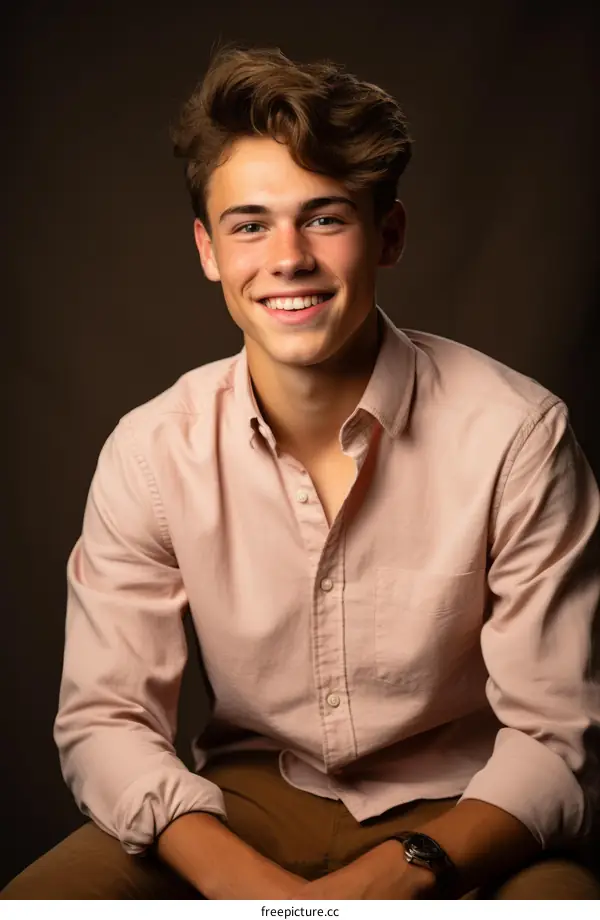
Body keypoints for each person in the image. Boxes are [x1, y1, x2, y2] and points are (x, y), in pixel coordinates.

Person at [3, 44, 600, 901]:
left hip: (468, 808)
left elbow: (557, 739)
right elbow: (107, 722)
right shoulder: (151, 449)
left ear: (387, 235)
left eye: (325, 217)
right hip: (242, 806)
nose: (287, 257)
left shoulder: (518, 436)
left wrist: (395, 877)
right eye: (250, 224)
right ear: (209, 250)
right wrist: (262, 896)